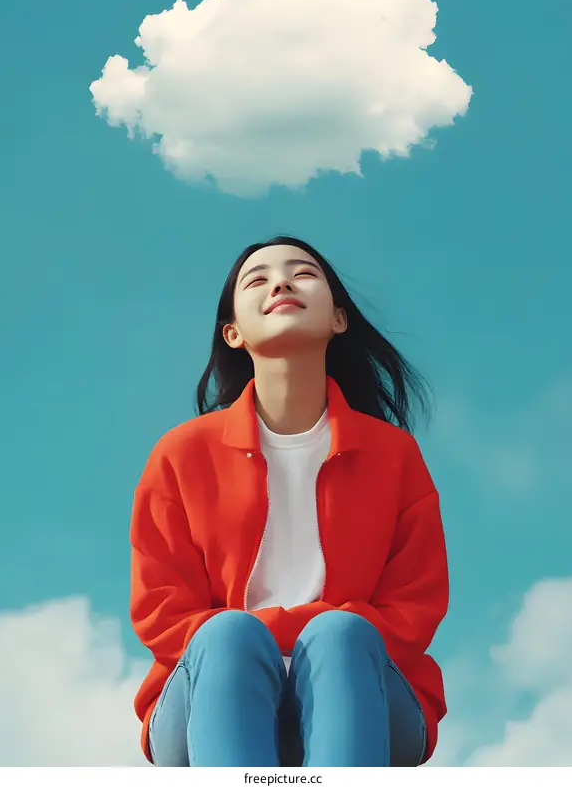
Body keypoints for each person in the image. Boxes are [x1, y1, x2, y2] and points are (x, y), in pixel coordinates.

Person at [129, 235, 449, 767]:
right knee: (229, 633)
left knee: (342, 635)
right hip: (204, 695)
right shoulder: (181, 454)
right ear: (232, 333)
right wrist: (267, 634)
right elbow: (161, 615)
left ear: (338, 319)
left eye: (303, 274)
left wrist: (303, 635)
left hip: (371, 691)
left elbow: (414, 610)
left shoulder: (393, 455)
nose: (280, 283)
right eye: (257, 280)